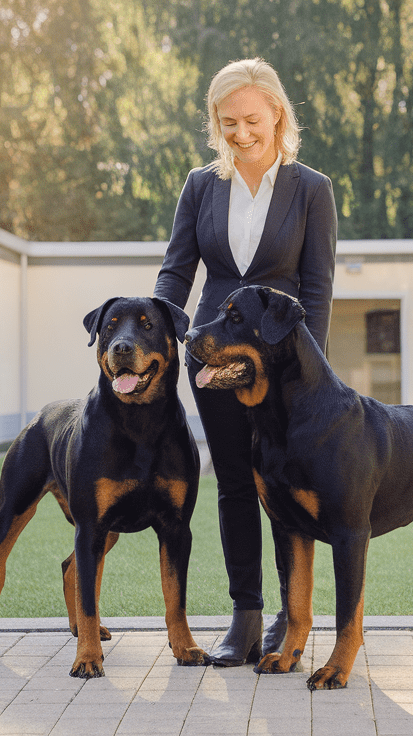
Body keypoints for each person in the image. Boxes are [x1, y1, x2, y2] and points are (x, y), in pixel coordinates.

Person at [154, 57, 337, 666]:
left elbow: (316, 292)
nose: (240, 132)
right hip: (212, 358)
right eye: (227, 121)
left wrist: (314, 378)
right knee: (234, 484)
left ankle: (292, 614)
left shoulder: (312, 189)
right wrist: (157, 332)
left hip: (284, 376)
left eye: (251, 119)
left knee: (286, 488)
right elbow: (177, 271)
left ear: (278, 115)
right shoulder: (201, 185)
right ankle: (245, 614)